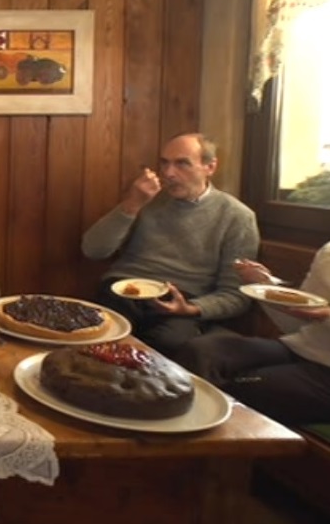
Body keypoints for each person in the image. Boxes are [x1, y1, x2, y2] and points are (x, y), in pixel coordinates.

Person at [82, 132, 259, 356]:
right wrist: (132, 204)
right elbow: (93, 250)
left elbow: (236, 295)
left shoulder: (237, 217)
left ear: (210, 167)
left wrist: (192, 309)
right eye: (164, 163)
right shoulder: (146, 198)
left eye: (182, 163)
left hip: (182, 300)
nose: (168, 173)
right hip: (123, 288)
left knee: (166, 347)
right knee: (98, 336)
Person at [175, 243, 330, 425]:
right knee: (201, 351)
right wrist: (265, 286)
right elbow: (298, 323)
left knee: (254, 386)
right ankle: (176, 429)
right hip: (300, 348)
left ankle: (203, 435)